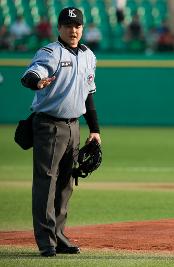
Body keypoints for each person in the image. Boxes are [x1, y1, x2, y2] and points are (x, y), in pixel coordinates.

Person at [20, 7, 101, 257]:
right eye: (67, 26)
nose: (73, 30)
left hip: (74, 126)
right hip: (49, 126)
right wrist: (37, 81)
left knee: (66, 184)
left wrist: (95, 130)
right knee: (46, 183)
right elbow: (31, 75)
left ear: (82, 28)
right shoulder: (50, 53)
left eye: (77, 26)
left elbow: (88, 95)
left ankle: (59, 235)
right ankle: (46, 241)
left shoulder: (89, 56)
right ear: (59, 28)